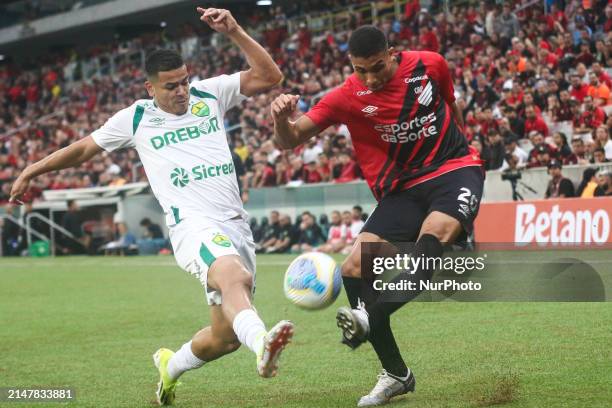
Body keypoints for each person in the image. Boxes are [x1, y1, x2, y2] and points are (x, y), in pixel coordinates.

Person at [9, 8, 293, 406]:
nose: (182, 92)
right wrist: (33, 170)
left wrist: (234, 31)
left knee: (224, 338)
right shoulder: (136, 118)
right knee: (234, 277)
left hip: (235, 224)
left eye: (185, 82)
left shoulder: (210, 93)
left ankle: (169, 367)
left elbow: (270, 77)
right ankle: (263, 343)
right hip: (191, 225)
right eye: (171, 86)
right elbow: (84, 149)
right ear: (150, 88)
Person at [271, 25, 484, 407]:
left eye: (377, 67)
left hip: (454, 169)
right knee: (353, 267)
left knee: (431, 238)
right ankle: (396, 374)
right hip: (402, 189)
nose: (369, 76)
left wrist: (466, 157)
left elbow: (451, 106)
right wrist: (281, 120)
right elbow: (290, 140)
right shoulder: (346, 96)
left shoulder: (430, 65)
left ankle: (370, 315)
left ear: (393, 52)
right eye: (360, 69)